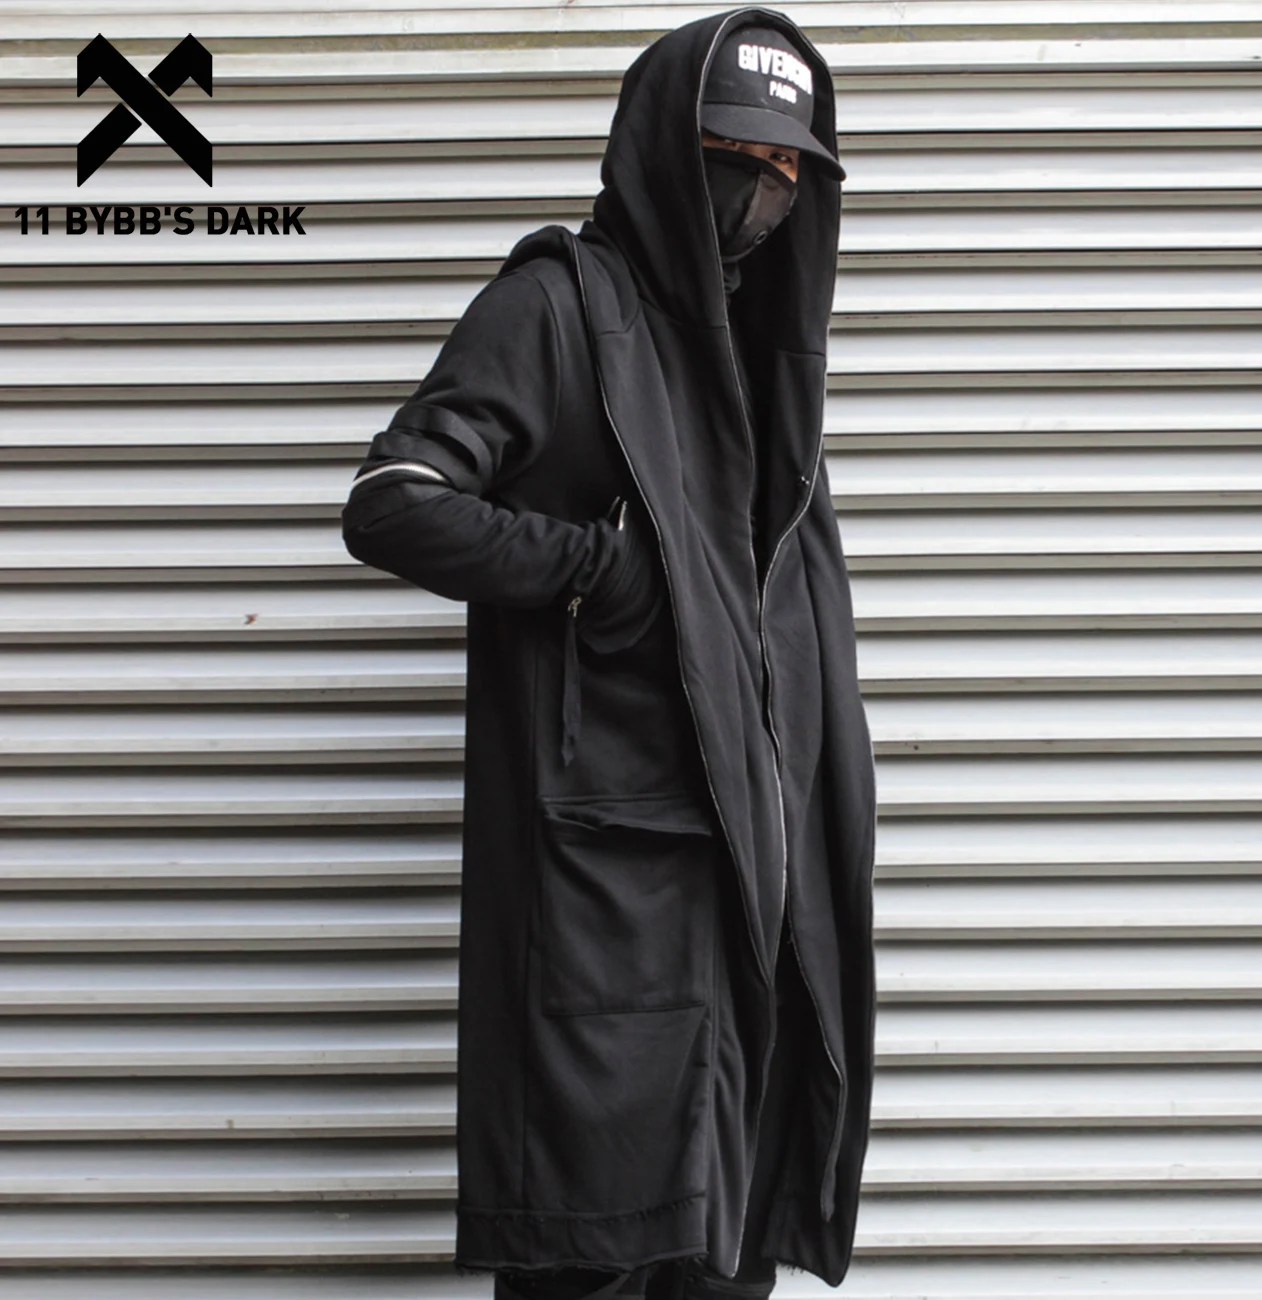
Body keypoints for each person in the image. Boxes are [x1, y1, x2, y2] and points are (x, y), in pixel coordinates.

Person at [340, 8, 877, 1300]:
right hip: (606, 906)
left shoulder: (755, 369)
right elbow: (394, 502)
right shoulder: (557, 310)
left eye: (792, 166)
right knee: (592, 1260)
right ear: (664, 151)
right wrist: (600, 571)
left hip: (748, 898)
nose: (767, 190)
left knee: (726, 1261)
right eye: (741, 156)